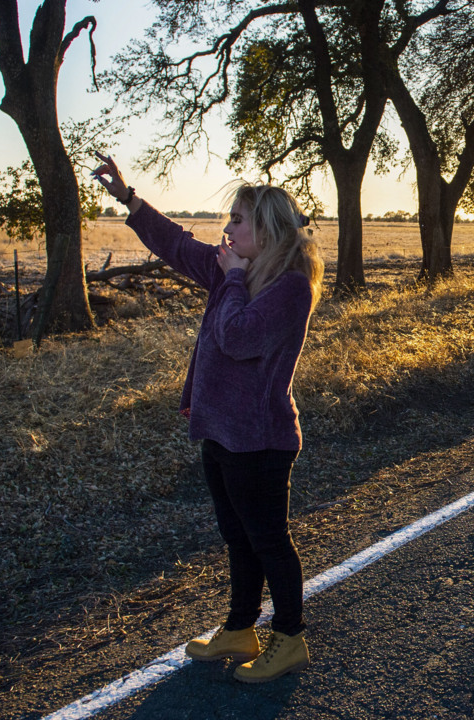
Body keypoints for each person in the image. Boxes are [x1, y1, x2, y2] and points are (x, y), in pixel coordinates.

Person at [92, 152, 324, 682]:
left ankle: (289, 637)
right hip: (220, 431)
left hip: (259, 440)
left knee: (268, 538)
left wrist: (235, 278)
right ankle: (241, 628)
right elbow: (176, 245)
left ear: (264, 229)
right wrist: (129, 198)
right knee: (236, 535)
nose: (227, 228)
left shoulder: (287, 286)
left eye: (237, 220)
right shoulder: (232, 269)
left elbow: (238, 338)